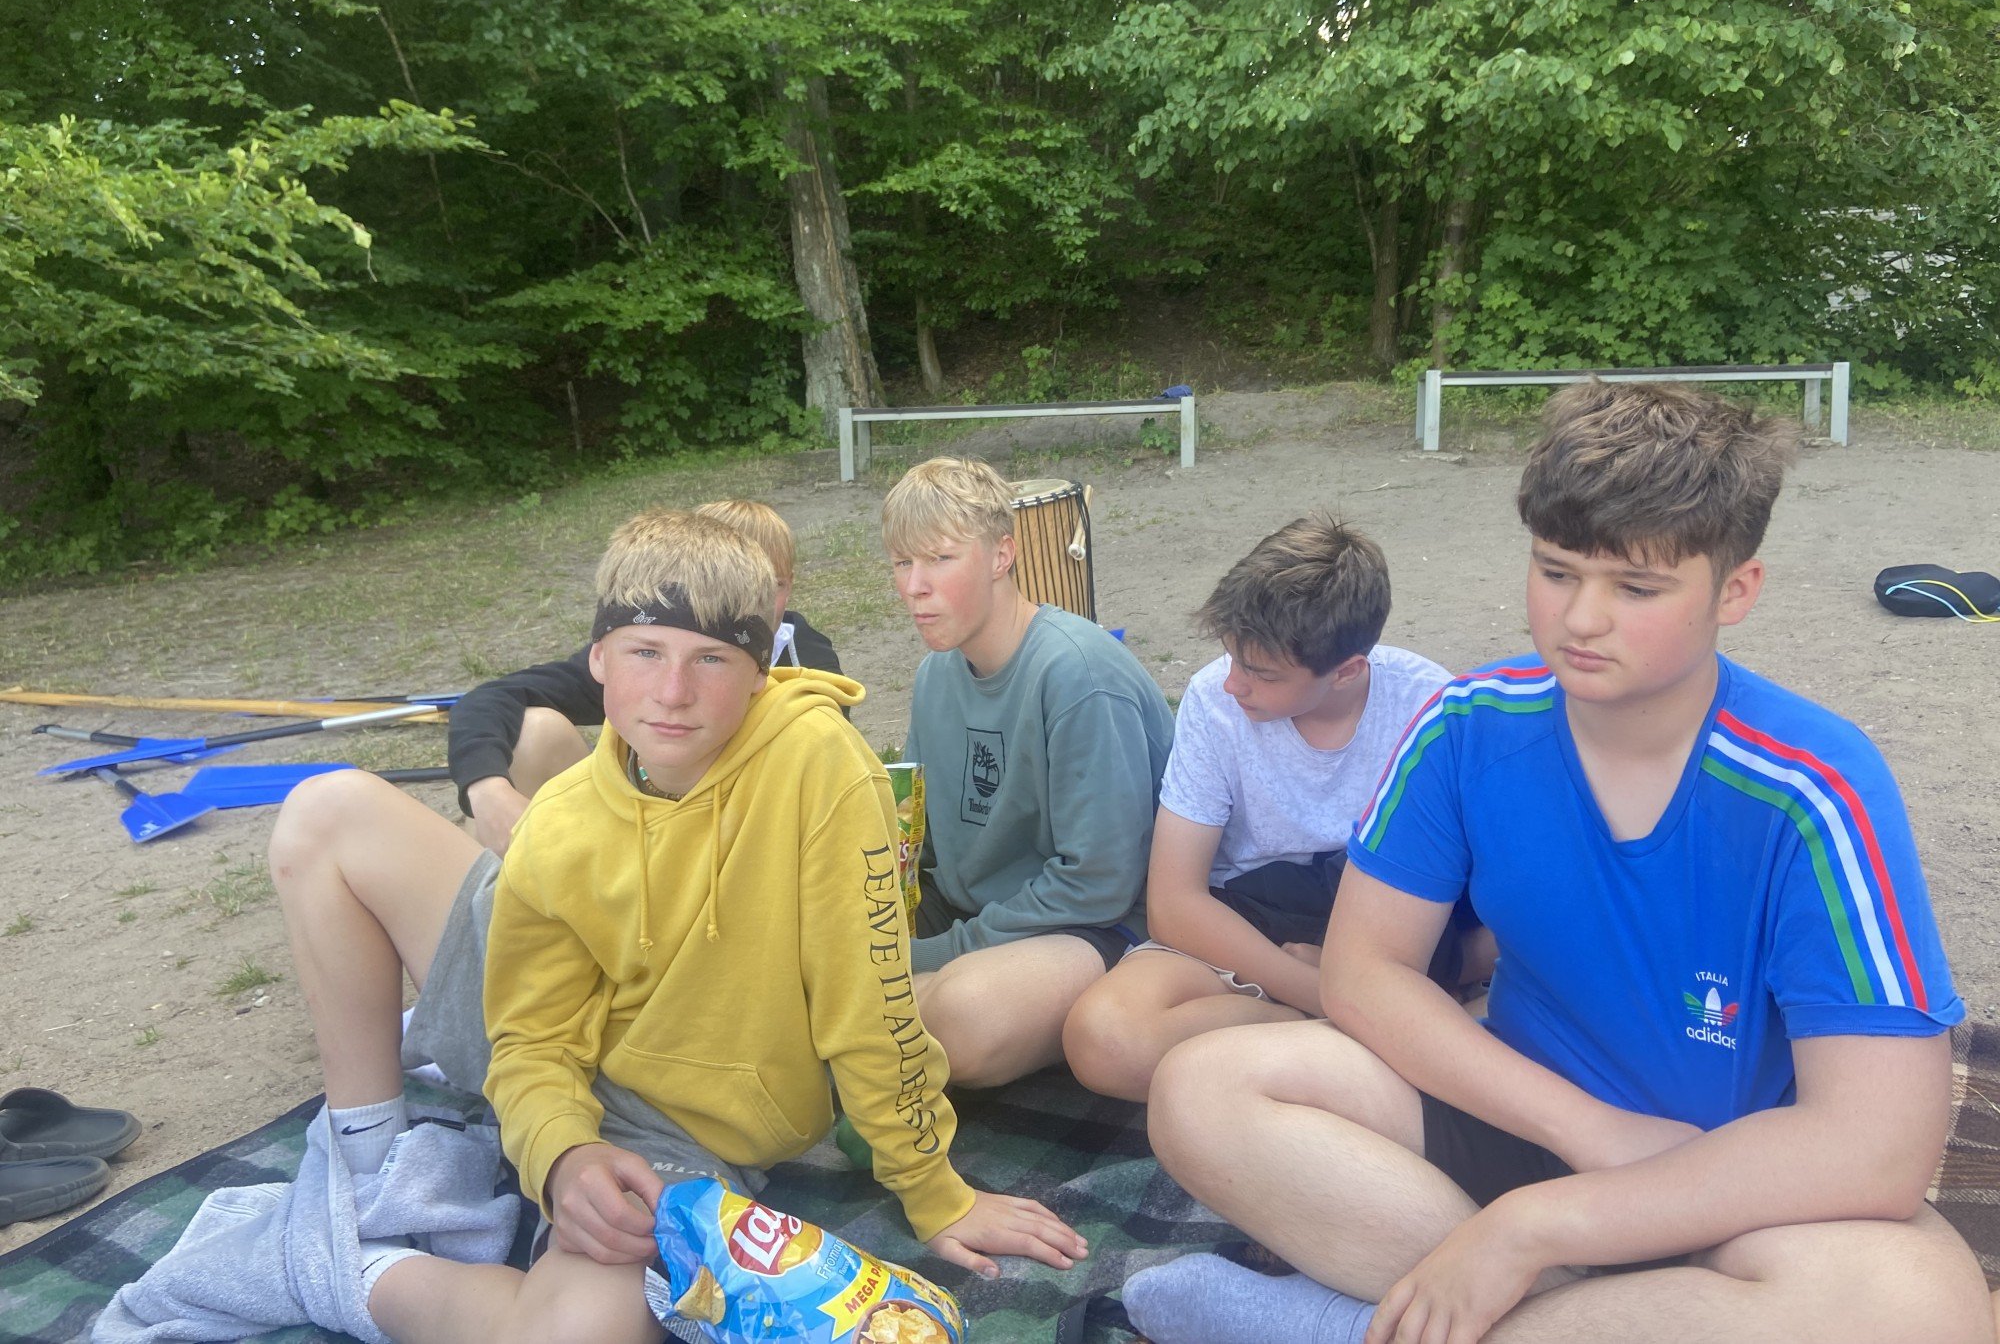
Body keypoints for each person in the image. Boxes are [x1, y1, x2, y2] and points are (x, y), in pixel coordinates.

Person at [1127, 381, 1988, 1344]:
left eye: (1636, 588)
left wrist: (1538, 1228)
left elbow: (1877, 1147)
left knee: (1925, 1311)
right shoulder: (1466, 726)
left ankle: (1350, 1327)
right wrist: (1582, 1131)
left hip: (1726, 1179)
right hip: (1522, 1116)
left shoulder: (1813, 789)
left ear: (1735, 591)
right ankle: (1567, 1318)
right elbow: (1364, 974)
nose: (1581, 619)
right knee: (1204, 1089)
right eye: (1557, 571)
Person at [267, 508, 1085, 1344]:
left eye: (711, 660)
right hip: (532, 1021)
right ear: (598, 659)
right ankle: (366, 1172)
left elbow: (868, 1004)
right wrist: (559, 1153)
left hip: (669, 1123)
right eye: (646, 653)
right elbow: (531, 1036)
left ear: (761, 671)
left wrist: (935, 1192)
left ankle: (336, 1267)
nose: (672, 692)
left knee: (579, 1334)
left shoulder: (819, 768)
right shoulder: (561, 820)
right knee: (325, 810)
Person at [1062, 514, 1454, 1103]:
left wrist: (1375, 975)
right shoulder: (1213, 701)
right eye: (1232, 659)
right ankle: (1349, 1045)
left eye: (1261, 673)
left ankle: (1301, 1062)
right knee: (1106, 1038)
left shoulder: (1430, 709)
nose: (1233, 684)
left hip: (1384, 929)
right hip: (1246, 922)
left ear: (1347, 670)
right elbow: (1174, 903)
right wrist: (1322, 993)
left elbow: (1482, 894)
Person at [884, 457, 1175, 1089]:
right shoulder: (935, 676)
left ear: (1002, 555)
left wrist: (930, 956)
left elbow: (1097, 884)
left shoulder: (1078, 675)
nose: (915, 587)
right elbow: (920, 844)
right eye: (902, 563)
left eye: (939, 559)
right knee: (787, 950)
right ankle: (886, 1022)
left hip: (1094, 929)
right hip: (972, 915)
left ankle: (887, 1025)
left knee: (960, 1018)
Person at [449, 498, 840, 854]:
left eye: (772, 585)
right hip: (631, 834)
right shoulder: (639, 645)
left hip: (742, 842)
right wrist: (486, 789)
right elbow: (492, 699)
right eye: (649, 653)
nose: (673, 693)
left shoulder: (809, 672)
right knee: (535, 731)